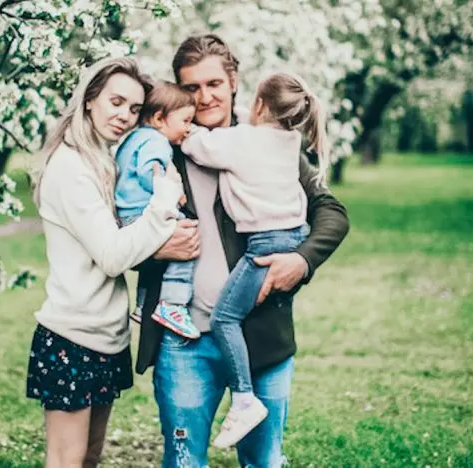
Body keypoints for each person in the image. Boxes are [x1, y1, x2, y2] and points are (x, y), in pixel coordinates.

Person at [134, 34, 350, 467]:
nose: (204, 96)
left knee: (264, 462)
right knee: (183, 461)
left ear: (234, 82)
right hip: (184, 342)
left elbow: (332, 211)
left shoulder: (269, 143)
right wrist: (155, 249)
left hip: (261, 337)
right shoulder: (158, 152)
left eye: (214, 83)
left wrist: (301, 260)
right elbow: (117, 231)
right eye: (191, 87)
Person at [26, 57, 185, 468]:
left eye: (134, 109)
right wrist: (164, 202)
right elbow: (114, 255)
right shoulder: (70, 167)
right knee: (67, 460)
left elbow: (122, 243)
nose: (125, 116)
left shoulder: (99, 159)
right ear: (90, 98)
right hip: (72, 337)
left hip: (106, 335)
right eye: (116, 101)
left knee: (90, 457)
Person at [180, 71, 328, 448]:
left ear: (257, 104)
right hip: (293, 234)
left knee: (225, 317)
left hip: (265, 243)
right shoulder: (287, 139)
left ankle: (244, 399)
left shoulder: (239, 140)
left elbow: (198, 145)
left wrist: (182, 126)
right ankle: (245, 398)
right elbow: (254, 125)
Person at [114, 80, 200, 339]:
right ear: (160, 118)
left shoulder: (134, 138)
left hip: (126, 214)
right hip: (141, 211)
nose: (189, 128)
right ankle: (172, 304)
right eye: (185, 121)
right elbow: (148, 173)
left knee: (156, 260)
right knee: (188, 237)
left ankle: (143, 305)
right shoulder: (157, 142)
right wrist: (173, 190)